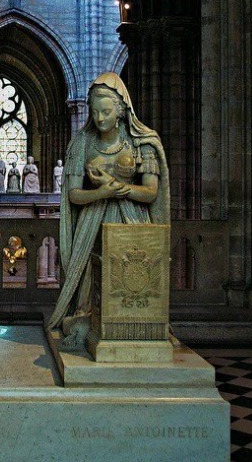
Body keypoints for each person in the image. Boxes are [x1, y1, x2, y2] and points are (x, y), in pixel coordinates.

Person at [46, 72, 170, 340]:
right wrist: (101, 192)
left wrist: (119, 188)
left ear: (121, 110)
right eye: (95, 111)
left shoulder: (142, 143)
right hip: (93, 222)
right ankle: (87, 318)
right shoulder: (83, 143)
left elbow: (150, 193)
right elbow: (74, 195)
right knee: (91, 275)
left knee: (135, 272)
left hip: (132, 220)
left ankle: (137, 323)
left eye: (106, 111)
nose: (100, 118)